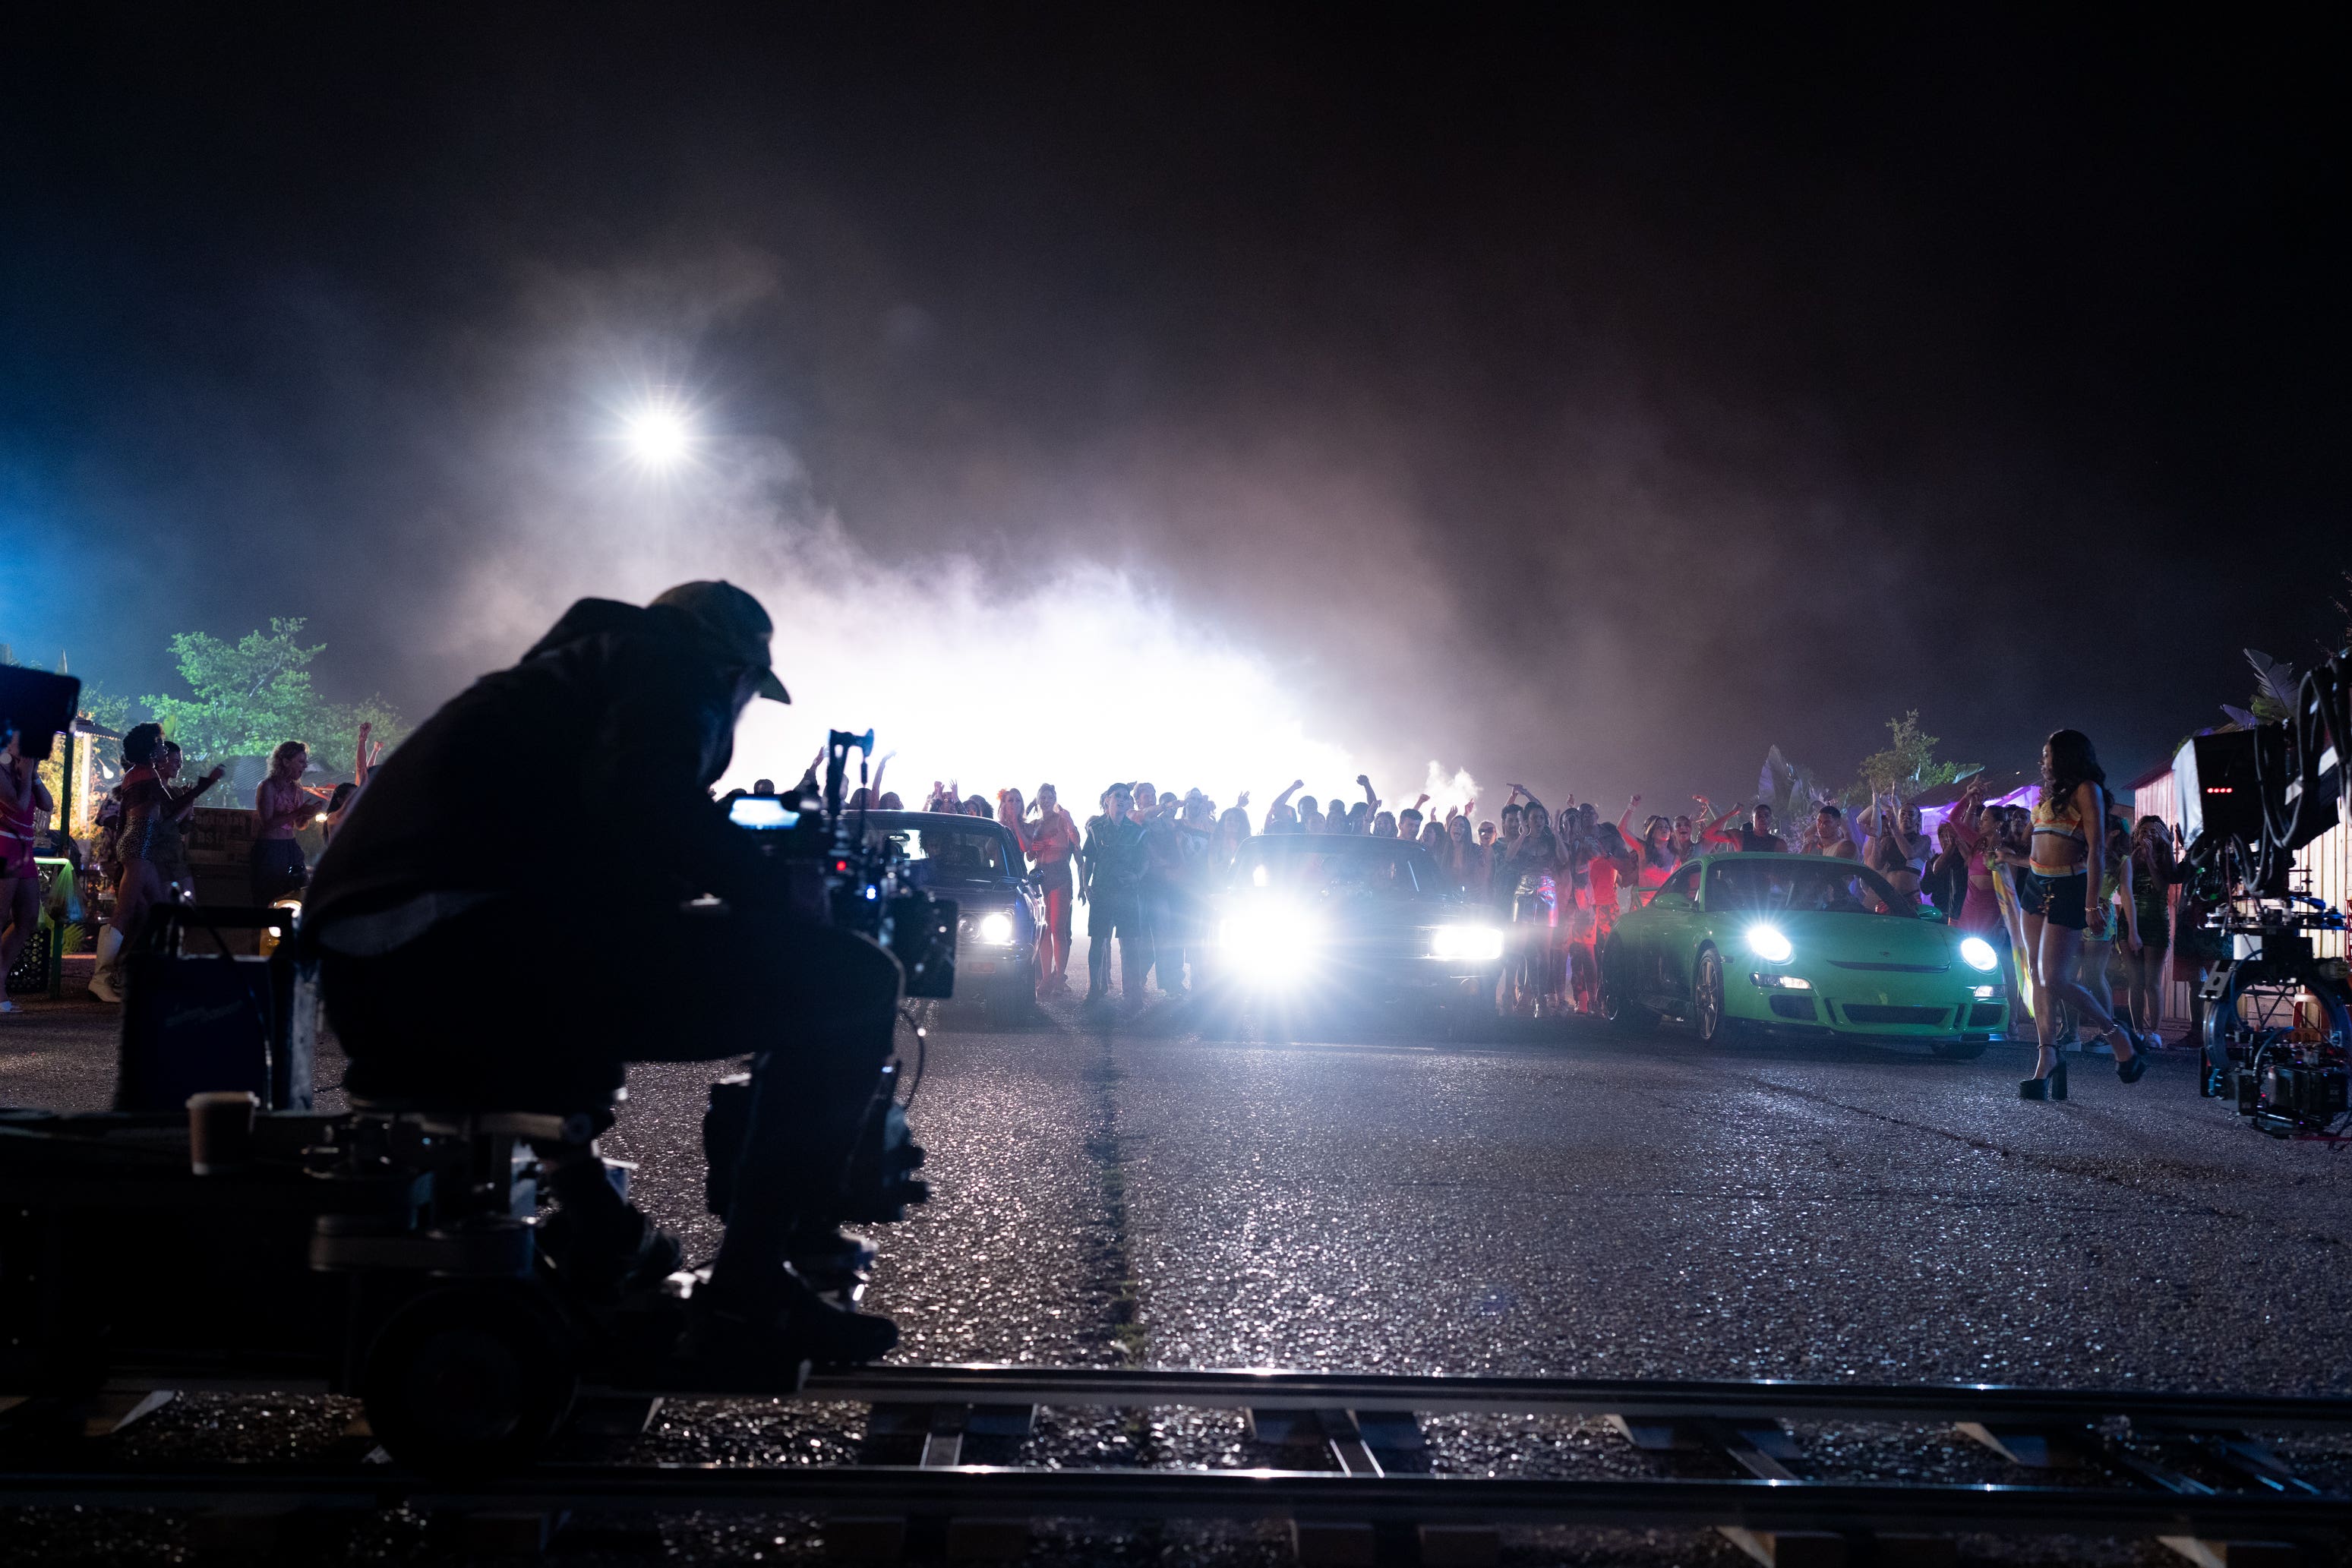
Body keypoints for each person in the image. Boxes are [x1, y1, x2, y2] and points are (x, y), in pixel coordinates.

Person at [305, 580, 904, 1365]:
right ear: (734, 673)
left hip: (385, 975)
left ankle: (599, 1220)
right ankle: (752, 1291)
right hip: (456, 958)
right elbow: (645, 801)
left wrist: (705, 880)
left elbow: (600, 858)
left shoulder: (569, 682)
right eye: (751, 697)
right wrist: (769, 888)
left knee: (623, 966)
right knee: (850, 982)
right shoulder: (670, 665)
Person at [2011, 729, 2144, 1097]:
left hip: (2068, 888)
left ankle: (2117, 1034)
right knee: (2037, 978)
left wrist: (2091, 905)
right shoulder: (2049, 796)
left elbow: (2098, 850)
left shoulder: (2089, 790)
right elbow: (2032, 841)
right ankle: (2047, 1057)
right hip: (2034, 887)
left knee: (2055, 977)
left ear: (2065, 755)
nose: (2043, 759)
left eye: (2047, 752)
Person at [90, 729, 226, 1003]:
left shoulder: (141, 773)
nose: (166, 750)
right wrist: (207, 783)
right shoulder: (145, 773)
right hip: (138, 846)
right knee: (126, 912)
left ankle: (141, 974)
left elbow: (168, 813)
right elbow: (170, 809)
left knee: (158, 912)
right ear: (151, 750)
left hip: (141, 847)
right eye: (162, 745)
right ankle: (101, 979)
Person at [0, 730, 55, 1013]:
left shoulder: (25, 771)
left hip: (24, 849)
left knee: (28, 918)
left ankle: (0, 974)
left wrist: (31, 775)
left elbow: (47, 805)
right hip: (3, 846)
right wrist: (24, 776)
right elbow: (19, 807)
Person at [1079, 782, 1148, 1010]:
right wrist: (1084, 886)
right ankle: (1094, 989)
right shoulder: (1096, 828)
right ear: (1107, 799)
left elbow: (1145, 861)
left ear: (1130, 803)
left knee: (1129, 943)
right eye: (1117, 796)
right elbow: (1088, 860)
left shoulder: (1137, 831)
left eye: (1126, 797)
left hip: (1127, 893)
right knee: (1098, 941)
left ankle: (1133, 992)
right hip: (1102, 890)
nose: (1121, 799)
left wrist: (1136, 877)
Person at [2122, 815, 2177, 1050]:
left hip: (2155, 921)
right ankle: (2138, 1030)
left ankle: (2155, 1032)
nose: (2148, 835)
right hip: (2129, 921)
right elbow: (2124, 883)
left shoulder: (2166, 856)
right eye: (2144, 831)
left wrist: (2152, 859)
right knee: (2135, 980)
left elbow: (2160, 886)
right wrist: (2135, 860)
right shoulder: (2129, 855)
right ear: (2136, 834)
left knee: (2152, 981)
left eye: (2154, 832)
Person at [1028, 783, 1081, 998]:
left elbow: (1077, 842)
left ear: (1055, 798)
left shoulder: (1062, 819)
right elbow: (1030, 856)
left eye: (1050, 796)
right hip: (1041, 876)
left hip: (1060, 875)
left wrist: (1069, 821)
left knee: (1057, 928)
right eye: (1043, 797)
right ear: (1039, 799)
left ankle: (1059, 977)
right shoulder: (1035, 824)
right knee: (1044, 931)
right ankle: (1046, 977)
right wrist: (1033, 848)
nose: (1046, 800)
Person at [251, 740, 317, 904]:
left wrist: (307, 815)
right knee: (269, 896)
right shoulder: (268, 786)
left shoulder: (297, 789)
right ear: (285, 762)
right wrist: (299, 812)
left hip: (290, 845)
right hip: (271, 848)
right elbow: (267, 824)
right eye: (301, 762)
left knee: (295, 893)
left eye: (305, 762)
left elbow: (299, 825)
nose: (305, 766)